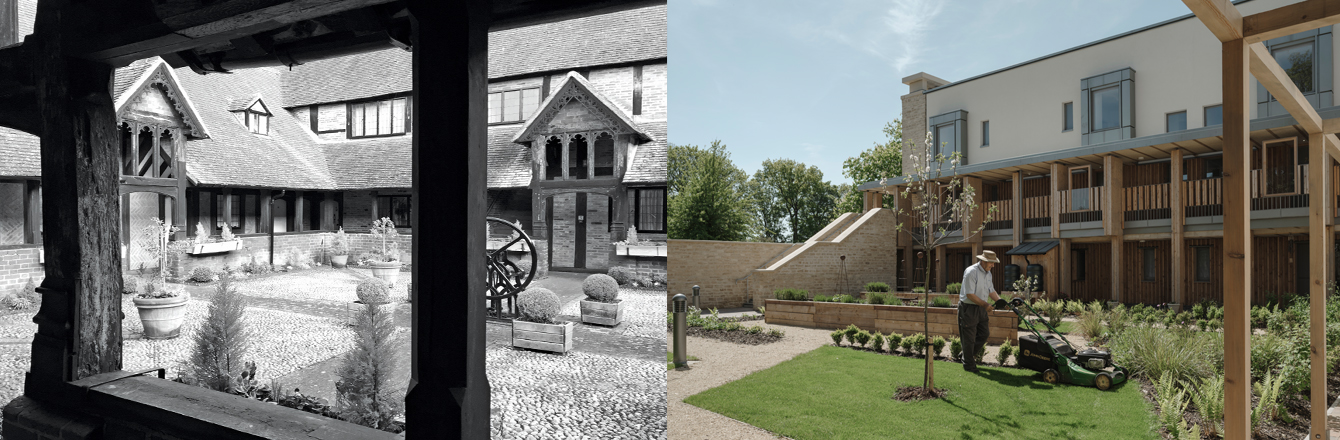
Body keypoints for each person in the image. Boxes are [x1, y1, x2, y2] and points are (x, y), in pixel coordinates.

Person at [958, 250, 1002, 372]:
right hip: (969, 308)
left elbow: (991, 290)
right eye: (991, 263)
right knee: (969, 338)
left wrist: (1001, 302)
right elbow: (970, 294)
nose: (993, 265)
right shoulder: (971, 272)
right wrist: (985, 304)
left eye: (993, 263)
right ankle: (969, 365)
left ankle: (965, 355)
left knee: (984, 334)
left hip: (981, 308)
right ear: (983, 261)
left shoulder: (988, 273)